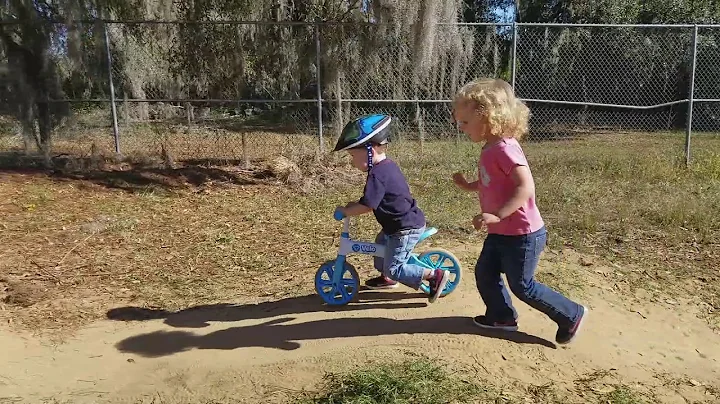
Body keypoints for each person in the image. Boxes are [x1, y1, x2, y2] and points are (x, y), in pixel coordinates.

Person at [451, 78, 587, 344]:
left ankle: (571, 314)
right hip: (502, 231)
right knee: (485, 272)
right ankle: (501, 316)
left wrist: (498, 214)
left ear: (488, 118)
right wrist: (469, 185)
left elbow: (524, 187)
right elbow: (492, 180)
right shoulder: (490, 148)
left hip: (522, 233)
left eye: (465, 122)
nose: (461, 128)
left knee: (522, 286)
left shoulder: (504, 149)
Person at [333, 113, 450, 303]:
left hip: (404, 228)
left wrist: (347, 211)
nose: (352, 161)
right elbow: (371, 198)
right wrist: (353, 205)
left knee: (394, 267)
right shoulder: (385, 167)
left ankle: (433, 275)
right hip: (396, 225)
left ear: (370, 150)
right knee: (380, 246)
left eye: (354, 155)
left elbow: (368, 205)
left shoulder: (378, 174)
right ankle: (386, 278)